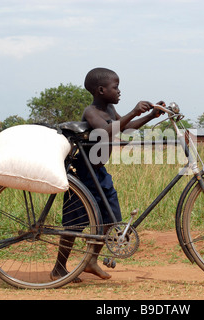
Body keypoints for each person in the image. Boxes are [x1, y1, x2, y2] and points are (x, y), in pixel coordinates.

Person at [51, 67, 163, 282]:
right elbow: (106, 131)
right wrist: (133, 111)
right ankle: (58, 268)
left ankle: (91, 261)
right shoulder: (91, 112)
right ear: (101, 90)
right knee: (73, 226)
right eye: (115, 87)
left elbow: (126, 128)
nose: (119, 91)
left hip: (99, 174)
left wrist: (150, 116)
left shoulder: (110, 109)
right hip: (84, 175)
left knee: (109, 219)